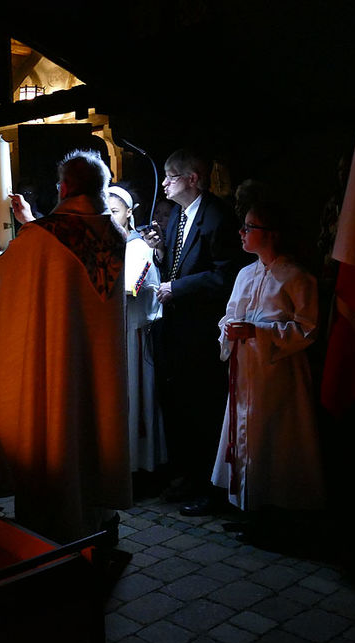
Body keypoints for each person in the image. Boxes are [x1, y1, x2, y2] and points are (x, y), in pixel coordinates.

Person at [0, 149, 131, 543]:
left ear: (64, 187)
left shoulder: (44, 239)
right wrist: (32, 226)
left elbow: (7, 271)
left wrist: (4, 250)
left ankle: (54, 532)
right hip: (98, 370)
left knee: (58, 433)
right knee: (93, 431)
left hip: (58, 369)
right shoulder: (115, 233)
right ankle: (99, 521)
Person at [209, 194, 325, 524]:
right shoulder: (246, 274)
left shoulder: (296, 277)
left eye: (249, 227)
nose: (242, 233)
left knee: (273, 436)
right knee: (244, 435)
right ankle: (246, 504)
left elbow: (308, 328)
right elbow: (230, 315)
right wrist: (229, 329)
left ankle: (275, 510)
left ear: (271, 233)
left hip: (278, 373)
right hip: (246, 371)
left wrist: (258, 332)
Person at [140, 148, 243, 515]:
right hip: (178, 330)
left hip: (202, 332)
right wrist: (158, 252)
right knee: (182, 405)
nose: (164, 182)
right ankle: (189, 475)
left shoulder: (217, 218)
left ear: (193, 179)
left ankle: (211, 488)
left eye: (171, 175)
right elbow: (178, 265)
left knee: (204, 409)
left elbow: (227, 274)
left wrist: (177, 289)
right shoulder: (179, 217)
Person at [110, 184, 167, 482]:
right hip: (113, 335)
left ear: (130, 213)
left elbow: (129, 289)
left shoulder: (138, 247)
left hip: (134, 333)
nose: (109, 216)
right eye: (105, 210)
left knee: (136, 400)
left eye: (115, 211)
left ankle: (141, 466)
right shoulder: (108, 245)